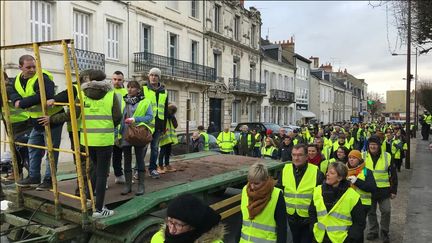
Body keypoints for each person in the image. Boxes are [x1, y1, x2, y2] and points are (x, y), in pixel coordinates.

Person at [11, 55, 65, 190]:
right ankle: (34, 176)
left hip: (51, 119)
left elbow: (45, 94)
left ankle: (49, 180)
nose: (32, 69)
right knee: (32, 147)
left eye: (34, 66)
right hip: (36, 120)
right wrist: (15, 99)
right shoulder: (17, 80)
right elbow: (12, 90)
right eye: (28, 67)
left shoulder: (43, 77)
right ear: (20, 67)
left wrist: (21, 103)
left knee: (51, 152)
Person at [309, 161, 366, 243]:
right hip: (319, 238)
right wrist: (313, 229)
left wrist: (350, 239)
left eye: (331, 173)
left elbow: (359, 223)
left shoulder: (352, 195)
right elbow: (312, 212)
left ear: (340, 178)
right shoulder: (318, 190)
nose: (327, 174)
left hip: (341, 239)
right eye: (327, 171)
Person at [281, 144, 324, 243]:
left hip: (308, 220)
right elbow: (280, 191)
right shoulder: (285, 169)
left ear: (306, 156)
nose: (296, 158)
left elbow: (320, 198)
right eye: (294, 155)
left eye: (300, 155)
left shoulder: (316, 172)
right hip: (290, 218)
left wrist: (313, 218)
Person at [236, 162, 288, 243]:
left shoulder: (277, 195)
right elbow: (241, 218)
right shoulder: (245, 190)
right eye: (250, 182)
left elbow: (282, 227)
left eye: (256, 183)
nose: (252, 187)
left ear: (265, 180)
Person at [119, 81, 153, 196]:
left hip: (139, 134)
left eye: (132, 87)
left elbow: (149, 117)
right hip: (125, 133)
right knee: (127, 160)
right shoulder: (124, 101)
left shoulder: (145, 102)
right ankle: (128, 185)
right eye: (128, 87)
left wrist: (135, 119)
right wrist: (118, 134)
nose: (129, 89)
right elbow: (120, 118)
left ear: (138, 90)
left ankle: (141, 185)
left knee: (139, 159)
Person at [363, 135, 398, 243]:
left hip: (384, 190)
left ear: (379, 145)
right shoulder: (363, 156)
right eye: (371, 144)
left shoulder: (387, 156)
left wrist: (393, 191)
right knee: (371, 212)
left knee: (386, 211)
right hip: (368, 190)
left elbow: (393, 175)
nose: (373, 146)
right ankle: (373, 231)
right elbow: (359, 171)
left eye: (375, 144)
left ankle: (384, 231)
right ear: (368, 145)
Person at [151, 194, 225, 243]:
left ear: (193, 226)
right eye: (170, 221)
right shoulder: (158, 238)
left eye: (178, 225)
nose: (171, 230)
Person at [0, 71, 31, 181]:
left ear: (5, 79)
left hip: (21, 123)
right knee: (16, 151)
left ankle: (32, 176)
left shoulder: (8, 88)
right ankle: (17, 173)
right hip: (12, 124)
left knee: (22, 151)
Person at [142, 68, 169, 179]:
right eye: (151, 75)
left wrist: (164, 126)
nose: (153, 77)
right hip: (146, 125)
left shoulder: (164, 91)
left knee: (154, 149)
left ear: (159, 77)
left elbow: (165, 110)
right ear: (149, 76)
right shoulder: (143, 89)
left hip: (158, 126)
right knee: (142, 149)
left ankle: (152, 169)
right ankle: (138, 170)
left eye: (156, 75)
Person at [346, 150, 376, 217]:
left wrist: (357, 181)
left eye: (354, 158)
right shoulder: (345, 170)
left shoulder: (365, 171)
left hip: (362, 204)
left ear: (359, 160)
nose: (351, 160)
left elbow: (372, 187)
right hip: (347, 203)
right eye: (350, 158)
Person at [111, 71, 128, 184]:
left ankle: (119, 174)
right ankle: (103, 179)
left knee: (118, 153)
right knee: (106, 154)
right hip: (109, 126)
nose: (117, 81)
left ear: (123, 81)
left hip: (122, 126)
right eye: (115, 79)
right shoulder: (107, 91)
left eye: (119, 79)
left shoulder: (126, 93)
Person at [157, 103, 178, 173]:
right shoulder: (164, 115)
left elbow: (175, 125)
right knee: (162, 151)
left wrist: (173, 117)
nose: (171, 112)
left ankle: (167, 165)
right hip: (164, 136)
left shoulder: (171, 117)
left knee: (168, 152)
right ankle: (160, 166)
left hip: (169, 137)